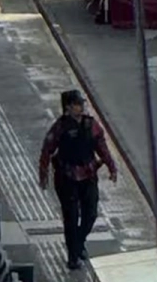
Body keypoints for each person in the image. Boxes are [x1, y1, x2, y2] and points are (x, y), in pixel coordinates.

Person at [39, 89, 118, 270]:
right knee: (71, 218)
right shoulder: (60, 127)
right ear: (68, 107)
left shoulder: (91, 125)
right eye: (77, 104)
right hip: (66, 178)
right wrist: (43, 174)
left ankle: (79, 242)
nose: (81, 107)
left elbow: (102, 147)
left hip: (88, 176)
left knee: (90, 214)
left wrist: (112, 167)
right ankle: (73, 256)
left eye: (81, 103)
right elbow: (47, 149)